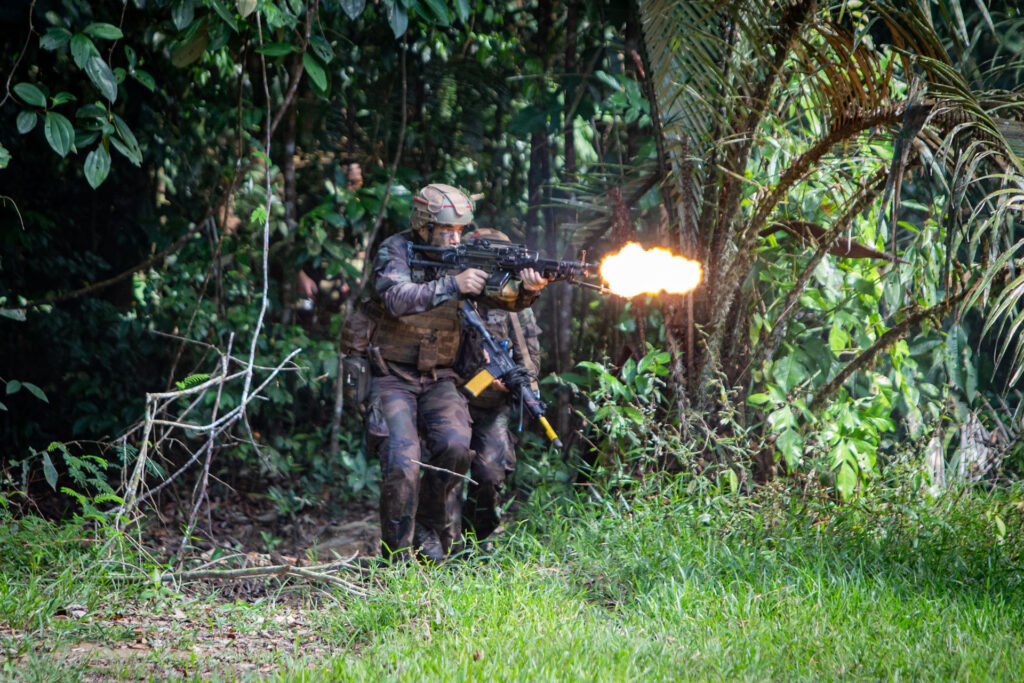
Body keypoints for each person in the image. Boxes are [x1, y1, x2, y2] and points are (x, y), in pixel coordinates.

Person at [364, 183, 549, 562]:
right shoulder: (395, 249)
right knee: (402, 462)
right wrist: (452, 283)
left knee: (454, 446)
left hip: (440, 377)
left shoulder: (463, 255)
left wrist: (529, 290)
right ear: (423, 227)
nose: (454, 238)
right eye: (446, 231)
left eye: (459, 231)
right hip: (392, 376)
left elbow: (504, 299)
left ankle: (430, 531)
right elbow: (395, 297)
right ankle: (396, 560)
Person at [455, 228, 543, 544]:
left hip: (492, 405)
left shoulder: (517, 307)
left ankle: (474, 541)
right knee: (443, 467)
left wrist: (520, 380)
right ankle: (434, 541)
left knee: (490, 474)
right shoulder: (451, 296)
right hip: (452, 398)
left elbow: (530, 359)